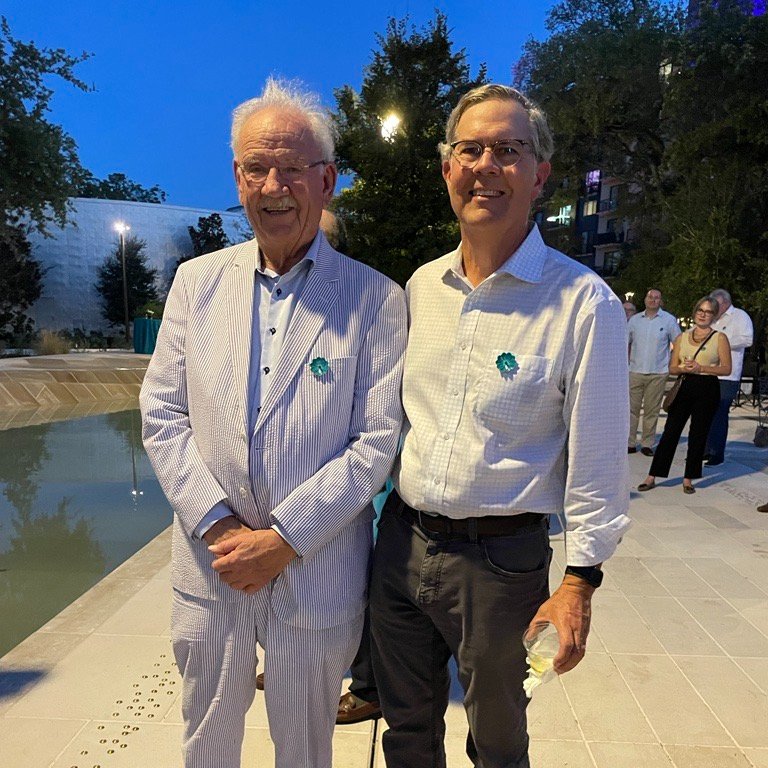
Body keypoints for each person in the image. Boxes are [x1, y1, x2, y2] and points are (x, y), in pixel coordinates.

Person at [139, 78, 407, 768]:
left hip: (315, 571)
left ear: (327, 180)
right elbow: (162, 413)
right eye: (257, 167)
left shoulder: (375, 299)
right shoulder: (196, 285)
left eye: (292, 167)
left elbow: (375, 441)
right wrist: (222, 526)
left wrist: (284, 539)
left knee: (306, 751)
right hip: (211, 567)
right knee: (206, 743)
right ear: (237, 177)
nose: (274, 184)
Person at [369, 84, 631, 768]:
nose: (487, 164)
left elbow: (600, 459)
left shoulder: (582, 303)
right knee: (406, 730)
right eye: (471, 148)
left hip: (501, 565)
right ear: (447, 168)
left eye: (508, 150)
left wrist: (579, 584)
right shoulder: (420, 288)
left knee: (498, 742)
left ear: (539, 175)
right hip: (400, 543)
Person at [638, 296, 731, 494]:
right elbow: (672, 367)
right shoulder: (682, 337)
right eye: (700, 310)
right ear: (695, 312)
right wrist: (683, 367)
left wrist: (701, 367)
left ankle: (689, 478)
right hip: (685, 385)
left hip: (707, 387)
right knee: (670, 432)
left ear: (714, 316)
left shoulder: (719, 338)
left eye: (708, 312)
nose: (703, 315)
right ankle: (653, 475)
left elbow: (726, 368)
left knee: (698, 434)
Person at [627, 289, 681, 456]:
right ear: (645, 299)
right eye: (650, 297)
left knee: (652, 410)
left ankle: (647, 443)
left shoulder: (669, 320)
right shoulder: (634, 321)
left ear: (660, 301)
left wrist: (672, 363)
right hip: (634, 371)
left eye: (656, 298)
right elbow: (625, 343)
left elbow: (678, 343)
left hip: (658, 372)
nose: (653, 300)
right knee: (631, 410)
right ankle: (629, 442)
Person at [705, 288, 753, 465]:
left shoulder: (740, 316)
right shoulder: (712, 318)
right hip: (708, 372)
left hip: (728, 375)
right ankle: (705, 449)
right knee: (705, 413)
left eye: (715, 304)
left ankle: (716, 454)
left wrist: (722, 344)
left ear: (724, 302)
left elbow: (748, 340)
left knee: (719, 413)